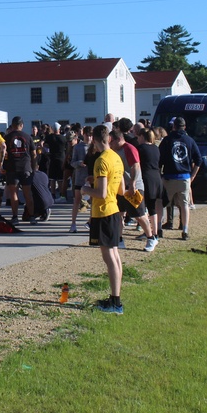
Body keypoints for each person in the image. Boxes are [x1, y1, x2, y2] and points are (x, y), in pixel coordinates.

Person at [82, 125, 126, 314]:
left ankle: (116, 302)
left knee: (109, 258)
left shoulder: (101, 161)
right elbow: (121, 190)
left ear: (94, 139)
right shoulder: (116, 157)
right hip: (114, 209)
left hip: (103, 211)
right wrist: (97, 181)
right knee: (114, 256)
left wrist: (85, 190)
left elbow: (100, 193)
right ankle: (115, 298)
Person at [111, 129, 158, 251]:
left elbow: (135, 166)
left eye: (112, 142)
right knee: (119, 214)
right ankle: (119, 239)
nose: (110, 144)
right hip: (120, 187)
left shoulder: (129, 148)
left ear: (119, 139)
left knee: (139, 215)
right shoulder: (114, 150)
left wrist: (132, 183)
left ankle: (151, 237)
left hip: (134, 187)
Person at [158, 117, 202, 241]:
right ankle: (185, 230)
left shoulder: (167, 140)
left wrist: (160, 174)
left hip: (169, 177)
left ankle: (159, 229)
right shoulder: (190, 140)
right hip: (184, 177)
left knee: (161, 203)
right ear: (185, 127)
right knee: (184, 205)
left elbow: (159, 159)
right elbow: (199, 159)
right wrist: (192, 175)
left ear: (174, 127)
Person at [2, 116, 37, 224]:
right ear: (21, 125)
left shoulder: (7, 138)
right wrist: (34, 167)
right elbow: (33, 153)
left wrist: (2, 165)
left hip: (12, 167)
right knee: (28, 193)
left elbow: (4, 153)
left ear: (12, 126)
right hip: (25, 167)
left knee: (14, 193)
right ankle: (31, 216)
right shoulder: (28, 137)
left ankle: (15, 216)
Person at [136, 127, 163, 243]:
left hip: (146, 178)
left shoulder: (140, 149)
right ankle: (155, 232)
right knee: (152, 207)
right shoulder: (156, 148)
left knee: (144, 207)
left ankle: (148, 232)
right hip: (156, 178)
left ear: (142, 137)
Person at [69, 126, 92, 233]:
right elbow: (72, 163)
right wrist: (79, 163)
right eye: (88, 135)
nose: (90, 138)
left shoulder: (95, 146)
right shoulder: (78, 147)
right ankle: (73, 223)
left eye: (91, 136)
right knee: (77, 201)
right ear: (84, 135)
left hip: (92, 178)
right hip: (80, 178)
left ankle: (91, 222)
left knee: (94, 201)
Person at [44, 123, 68, 200]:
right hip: (62, 158)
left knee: (52, 178)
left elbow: (44, 145)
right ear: (59, 129)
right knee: (61, 178)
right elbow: (66, 148)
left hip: (52, 158)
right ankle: (62, 194)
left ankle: (53, 194)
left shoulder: (49, 137)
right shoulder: (63, 138)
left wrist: (47, 153)